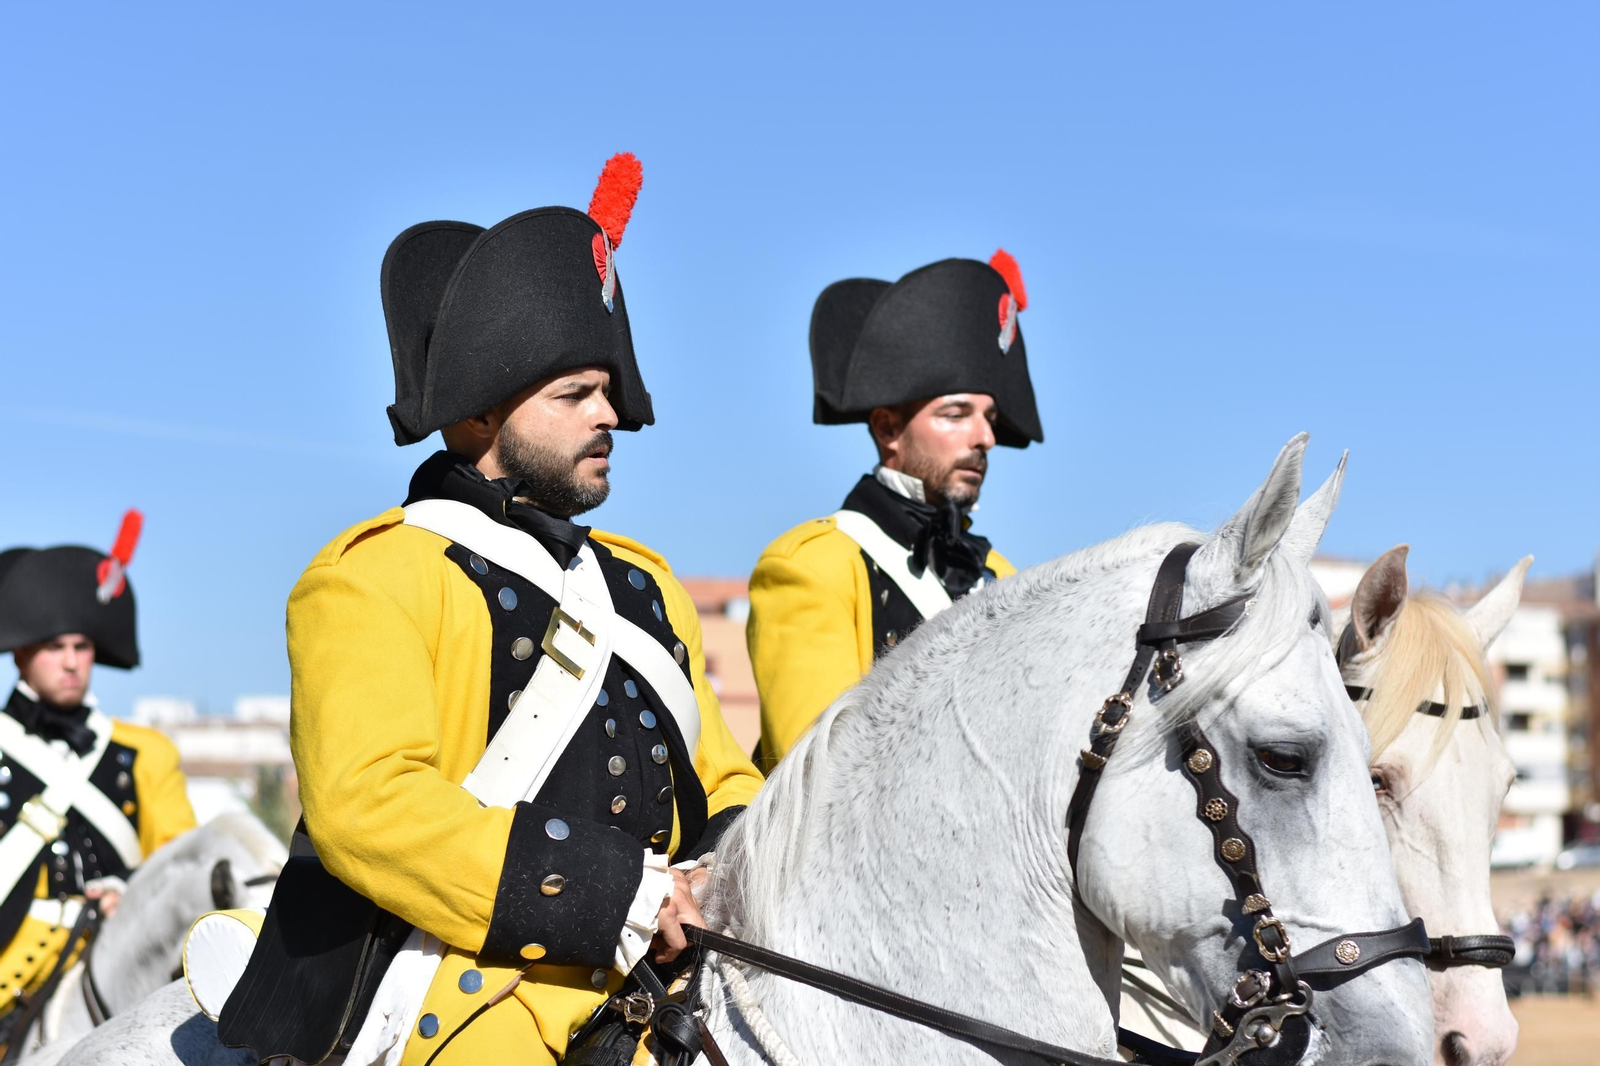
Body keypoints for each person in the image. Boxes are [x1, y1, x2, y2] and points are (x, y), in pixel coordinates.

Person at [218, 154, 762, 1066]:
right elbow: (368, 804)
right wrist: (615, 892)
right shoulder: (373, 575)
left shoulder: (643, 585)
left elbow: (722, 774)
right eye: (575, 395)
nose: (612, 417)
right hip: (461, 990)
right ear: (477, 419)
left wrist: (726, 866)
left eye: (609, 391)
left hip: (663, 976)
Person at [747, 251, 1044, 766]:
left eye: (989, 417)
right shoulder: (812, 566)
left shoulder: (1003, 576)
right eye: (956, 414)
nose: (985, 438)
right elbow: (821, 773)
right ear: (887, 429)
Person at [0, 512, 196, 1040]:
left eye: (81, 647)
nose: (71, 663)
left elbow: (180, 864)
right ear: (19, 652)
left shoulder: (145, 753)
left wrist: (126, 893)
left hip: (122, 958)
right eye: (53, 647)